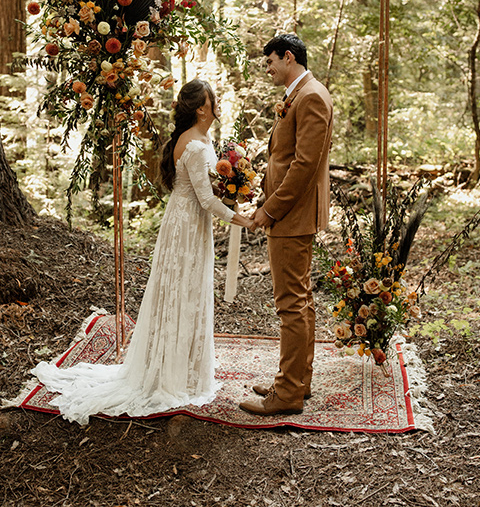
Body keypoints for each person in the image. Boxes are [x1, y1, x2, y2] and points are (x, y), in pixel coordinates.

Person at [33, 79, 253, 425]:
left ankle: (185, 367)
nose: (218, 103)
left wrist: (234, 187)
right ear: (201, 107)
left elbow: (209, 189)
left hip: (189, 222)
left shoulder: (202, 139)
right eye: (214, 99)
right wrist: (241, 218)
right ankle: (172, 375)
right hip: (186, 227)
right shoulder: (194, 145)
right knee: (181, 291)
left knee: (188, 291)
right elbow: (207, 199)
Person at [239, 34, 333, 417]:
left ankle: (289, 393)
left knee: (290, 304)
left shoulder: (311, 96)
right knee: (301, 300)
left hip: (292, 215)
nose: (268, 69)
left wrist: (270, 209)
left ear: (288, 57)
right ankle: (295, 379)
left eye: (270, 62)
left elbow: (304, 166)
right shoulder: (300, 94)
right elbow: (286, 156)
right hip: (291, 211)